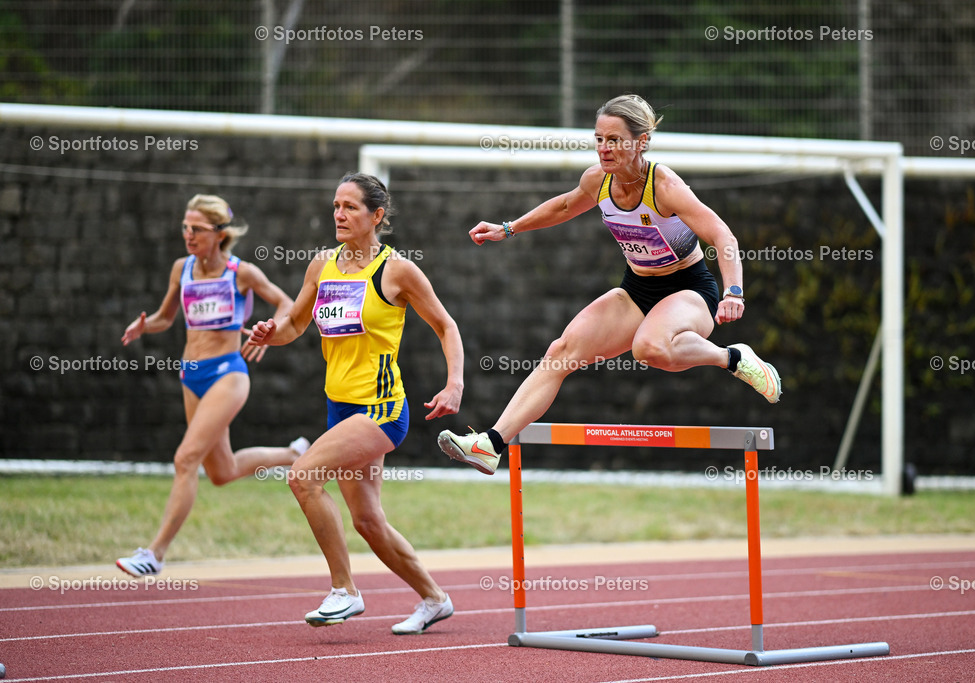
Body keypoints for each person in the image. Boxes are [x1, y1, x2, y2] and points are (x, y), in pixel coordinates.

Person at [438, 93, 782, 475]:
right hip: (637, 288)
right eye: (599, 138)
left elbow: (723, 236)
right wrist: (508, 228)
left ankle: (733, 357)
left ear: (641, 142)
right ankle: (491, 444)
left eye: (615, 140)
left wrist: (734, 291)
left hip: (689, 289)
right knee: (560, 352)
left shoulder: (664, 185)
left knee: (650, 347)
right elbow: (566, 206)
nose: (604, 148)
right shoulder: (597, 180)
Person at [247, 172, 464, 635]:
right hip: (340, 407)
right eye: (335, 206)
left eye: (349, 207)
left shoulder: (396, 270)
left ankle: (344, 591)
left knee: (303, 477)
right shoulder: (321, 265)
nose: (339, 215)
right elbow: (294, 325)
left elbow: (446, 326)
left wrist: (455, 384)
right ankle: (434, 598)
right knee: (367, 520)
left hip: (382, 409)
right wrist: (272, 332)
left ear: (376, 216)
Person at [117, 194, 304, 577]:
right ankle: (292, 453)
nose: (188, 235)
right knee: (222, 471)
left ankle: (154, 554)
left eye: (197, 229)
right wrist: (144, 325)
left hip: (228, 374)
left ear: (219, 234)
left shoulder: (241, 272)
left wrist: (269, 331)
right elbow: (165, 318)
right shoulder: (181, 269)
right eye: (185, 227)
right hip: (191, 375)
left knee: (186, 459)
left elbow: (286, 303)